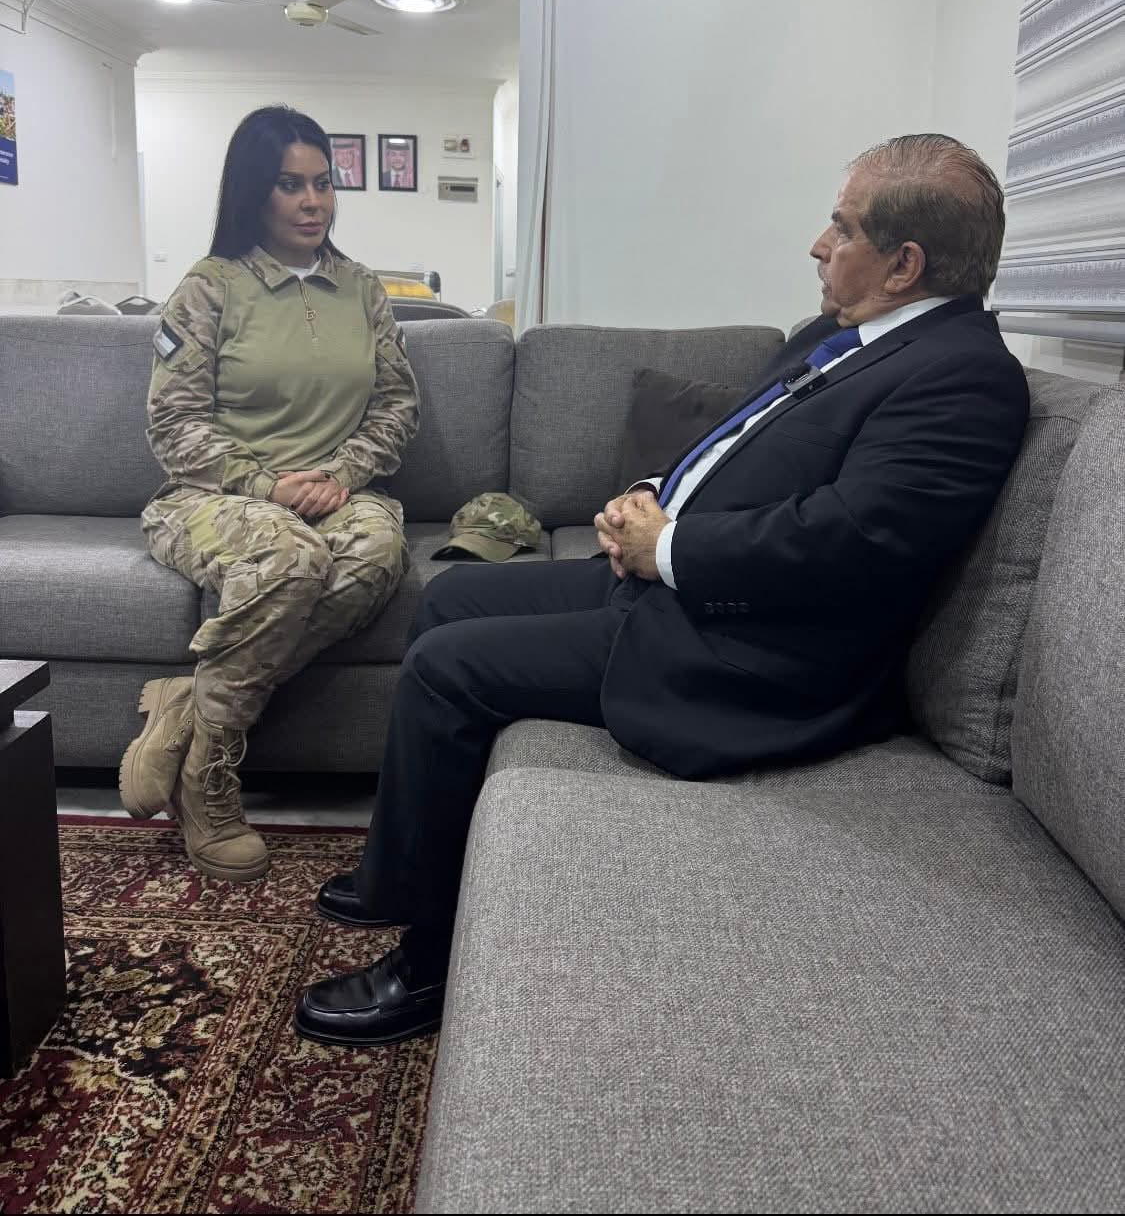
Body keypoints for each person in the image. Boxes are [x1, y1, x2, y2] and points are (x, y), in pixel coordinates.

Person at [294, 133, 1030, 1048]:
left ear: (903, 264)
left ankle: (430, 963)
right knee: (446, 599)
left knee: (450, 667)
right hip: (678, 589)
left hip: (750, 650)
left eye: (841, 228)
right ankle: (403, 867)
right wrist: (649, 495)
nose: (816, 245)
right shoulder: (834, 338)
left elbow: (852, 542)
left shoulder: (963, 378)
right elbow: (731, 444)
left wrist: (669, 547)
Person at [119, 105, 420, 883]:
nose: (313, 202)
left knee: (377, 554)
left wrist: (341, 474)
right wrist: (266, 484)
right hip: (214, 496)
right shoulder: (209, 288)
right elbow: (172, 420)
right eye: (290, 185)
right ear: (254, 192)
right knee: (290, 559)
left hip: (337, 490)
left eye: (322, 183)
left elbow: (396, 404)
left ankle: (188, 701)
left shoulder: (362, 289)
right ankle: (208, 782)